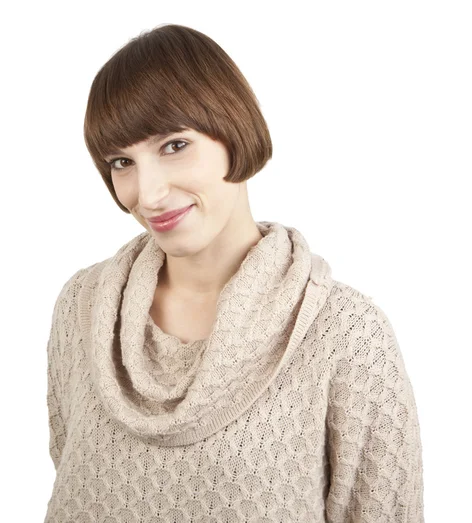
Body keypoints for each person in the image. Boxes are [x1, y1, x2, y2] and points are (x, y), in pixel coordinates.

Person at [44, 23, 424, 522]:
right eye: (121, 161)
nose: (148, 193)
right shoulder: (85, 306)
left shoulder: (344, 334)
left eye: (174, 145)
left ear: (233, 131)